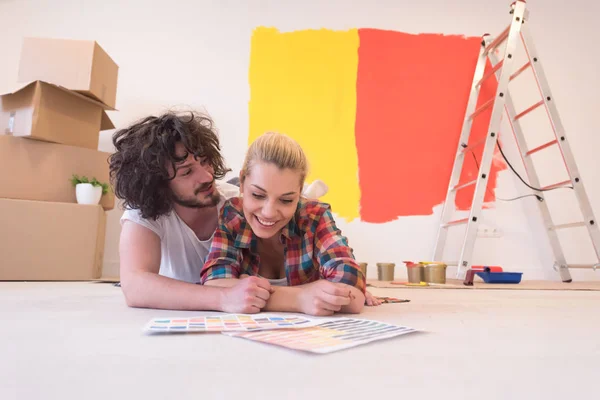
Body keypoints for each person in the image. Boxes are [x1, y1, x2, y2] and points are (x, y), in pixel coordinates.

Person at [200, 132, 381, 316]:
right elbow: (215, 284)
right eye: (258, 195)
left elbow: (353, 296)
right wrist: (301, 298)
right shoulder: (232, 216)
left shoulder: (314, 217)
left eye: (286, 200)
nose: (269, 212)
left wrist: (246, 290)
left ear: (300, 192)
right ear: (241, 182)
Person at [108, 111, 273, 312]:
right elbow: (135, 285)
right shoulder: (144, 214)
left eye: (205, 161)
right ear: (159, 184)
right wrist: (223, 298)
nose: (206, 177)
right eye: (187, 172)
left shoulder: (237, 203)